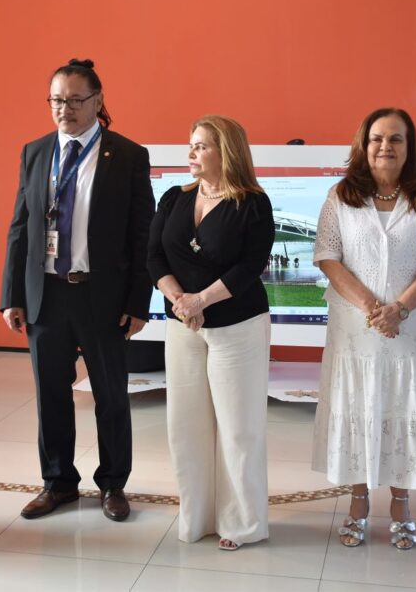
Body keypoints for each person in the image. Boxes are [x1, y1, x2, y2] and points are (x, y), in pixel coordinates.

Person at [0, 59, 154, 522]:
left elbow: (142, 235)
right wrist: (12, 294)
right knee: (51, 393)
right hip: (46, 294)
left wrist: (138, 302)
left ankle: (113, 484)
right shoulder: (35, 151)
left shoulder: (127, 155)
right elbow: (21, 226)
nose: (63, 109)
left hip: (101, 295)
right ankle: (58, 483)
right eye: (55, 100)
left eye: (74, 100)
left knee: (111, 395)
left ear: (98, 101)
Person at [312, 107, 416, 550]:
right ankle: (357, 503)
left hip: (410, 328)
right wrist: (373, 307)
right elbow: (328, 256)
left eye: (395, 139)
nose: (385, 146)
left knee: (401, 406)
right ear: (364, 144)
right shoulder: (340, 196)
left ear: (409, 148)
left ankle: (401, 505)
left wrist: (399, 309)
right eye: (377, 138)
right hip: (354, 330)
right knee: (358, 407)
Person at [147, 115, 274, 551]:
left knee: (238, 429)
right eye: (191, 144)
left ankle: (242, 522)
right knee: (186, 426)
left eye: (201, 145)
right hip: (183, 326)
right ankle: (197, 516)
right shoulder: (174, 198)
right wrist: (181, 301)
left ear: (227, 152)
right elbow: (153, 256)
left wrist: (201, 300)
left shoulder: (253, 203)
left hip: (238, 326)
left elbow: (250, 266)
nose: (191, 153)